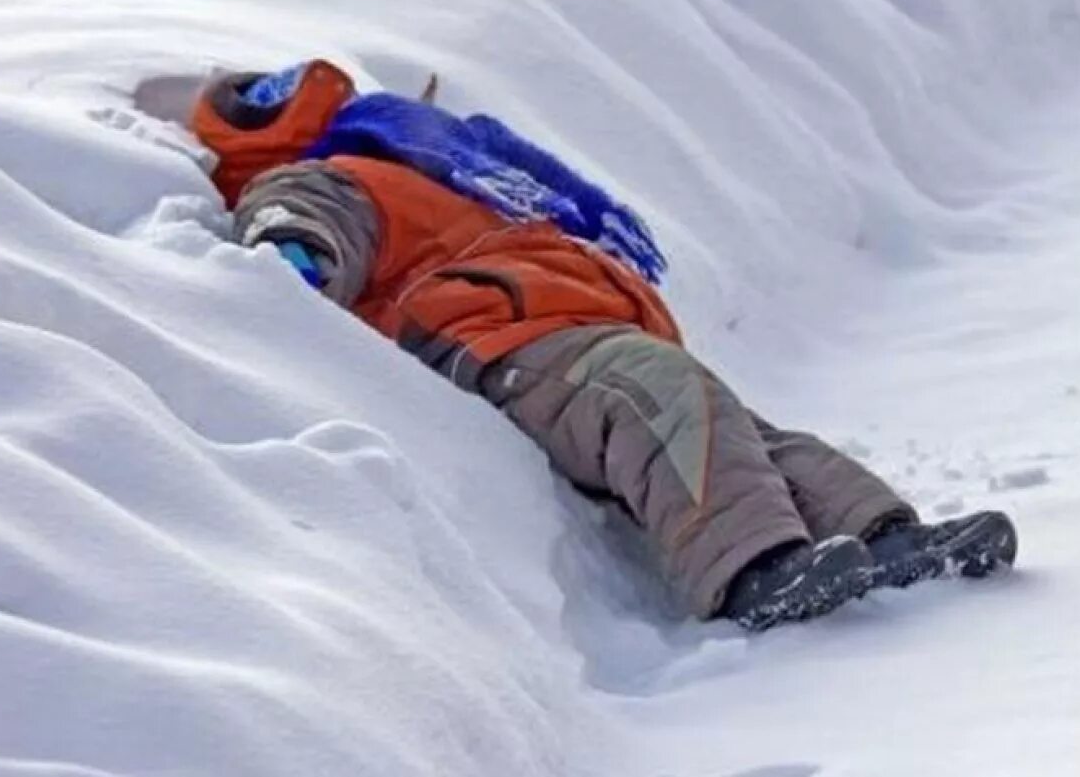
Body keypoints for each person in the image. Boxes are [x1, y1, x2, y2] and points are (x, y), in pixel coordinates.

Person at [181, 59, 1016, 630]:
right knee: (651, 392)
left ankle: (884, 539)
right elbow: (296, 221)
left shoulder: (458, 185)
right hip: (490, 341)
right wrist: (291, 256)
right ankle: (756, 572)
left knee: (746, 432)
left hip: (564, 331)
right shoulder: (326, 175)